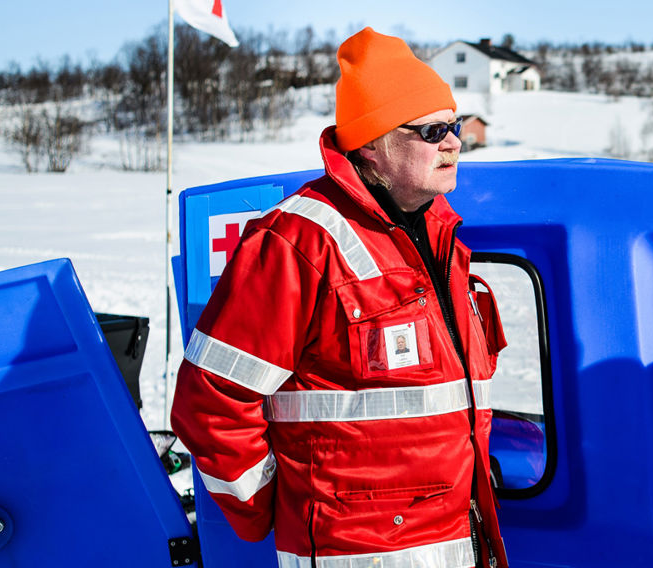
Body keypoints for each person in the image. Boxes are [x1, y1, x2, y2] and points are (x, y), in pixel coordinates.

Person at [172, 28, 508, 568]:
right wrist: (268, 507)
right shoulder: (296, 242)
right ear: (373, 145)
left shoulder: (440, 237)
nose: (453, 142)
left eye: (455, 125)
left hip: (453, 541)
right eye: (432, 130)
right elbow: (210, 401)